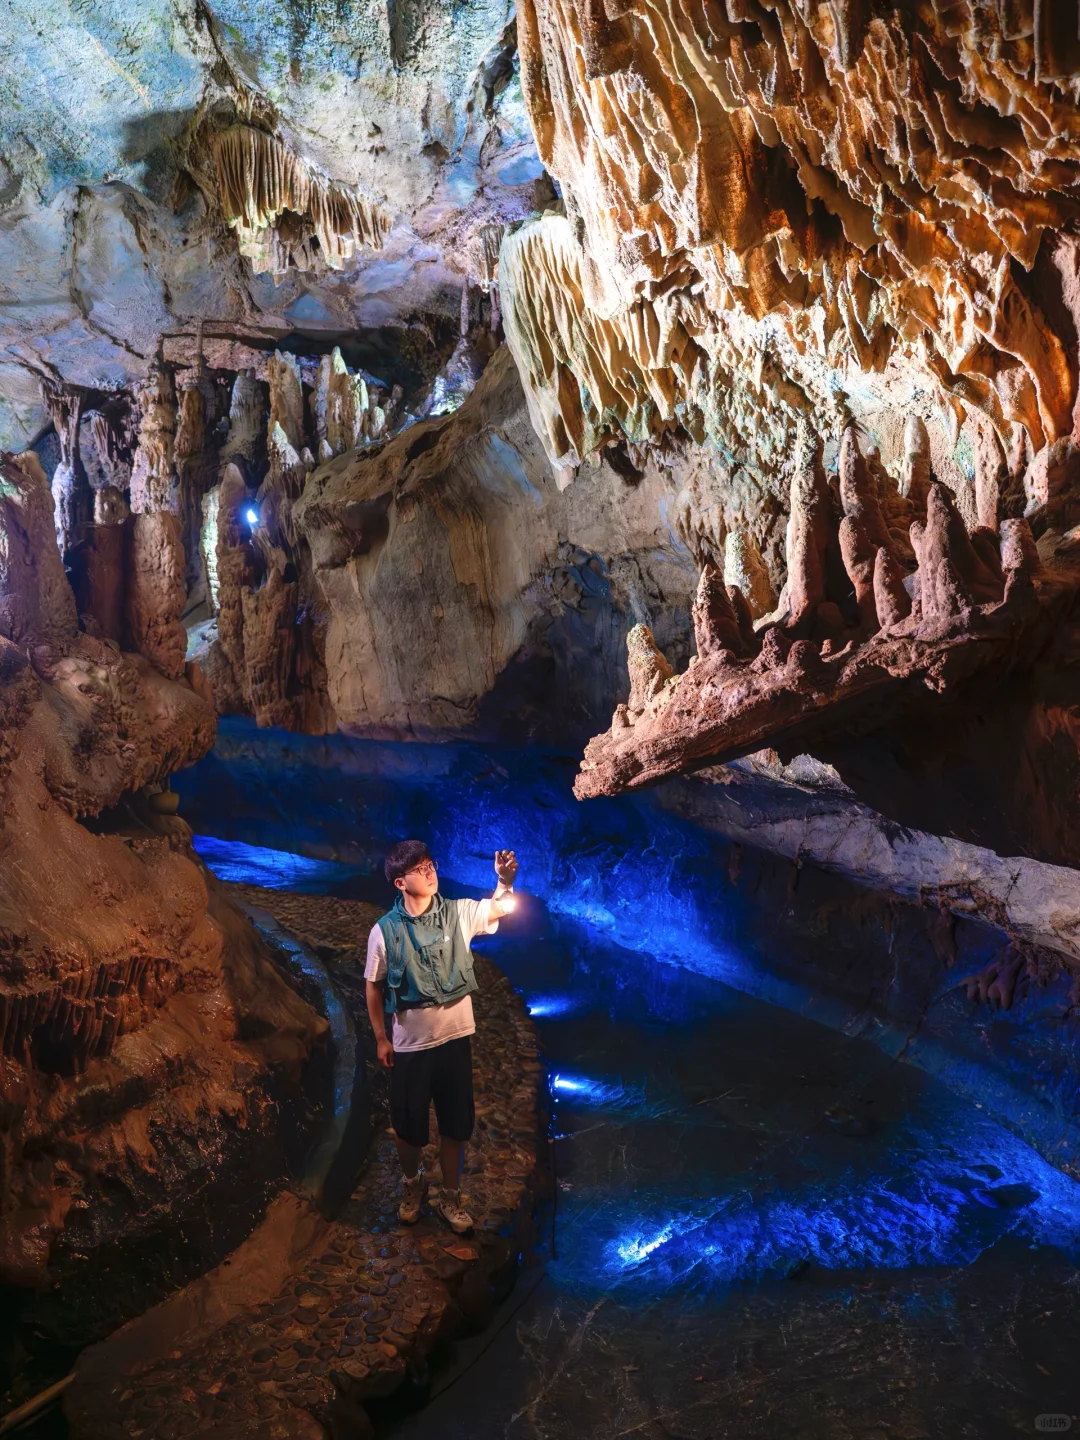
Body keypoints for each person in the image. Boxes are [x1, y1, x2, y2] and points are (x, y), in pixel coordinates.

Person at [365, 841, 518, 1234]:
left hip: (454, 1041)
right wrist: (382, 1038)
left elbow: (499, 907)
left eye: (430, 864)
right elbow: (373, 986)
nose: (430, 872)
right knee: (408, 1126)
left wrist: (503, 883)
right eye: (420, 868)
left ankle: (450, 1197)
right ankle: (412, 1186)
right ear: (401, 882)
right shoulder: (383, 932)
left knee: (456, 1124)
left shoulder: (459, 913)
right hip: (410, 1047)